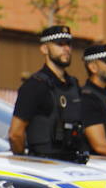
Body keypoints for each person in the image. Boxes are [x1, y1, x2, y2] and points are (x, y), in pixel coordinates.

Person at [8, 25, 86, 162]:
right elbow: (15, 134)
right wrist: (24, 160)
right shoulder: (35, 85)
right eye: (59, 44)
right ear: (44, 49)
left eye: (68, 44)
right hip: (44, 165)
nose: (66, 49)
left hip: (74, 163)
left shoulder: (73, 84)